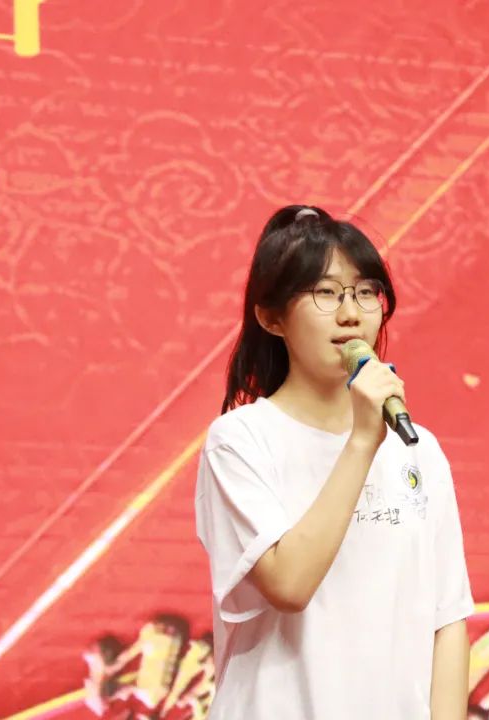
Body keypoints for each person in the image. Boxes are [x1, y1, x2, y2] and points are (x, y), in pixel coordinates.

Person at [194, 205, 474, 719]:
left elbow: (447, 618)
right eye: (325, 293)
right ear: (270, 317)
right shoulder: (240, 441)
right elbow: (289, 584)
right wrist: (363, 440)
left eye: (366, 291)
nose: (351, 314)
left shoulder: (418, 449)